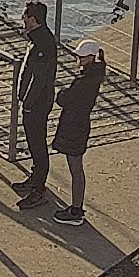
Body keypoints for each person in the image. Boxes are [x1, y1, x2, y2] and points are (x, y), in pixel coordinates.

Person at [51, 38, 108, 223]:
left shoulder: (84, 81)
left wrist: (62, 93)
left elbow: (64, 99)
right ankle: (76, 207)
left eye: (83, 57)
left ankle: (76, 211)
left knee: (76, 169)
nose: (79, 60)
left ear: (91, 58)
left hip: (74, 127)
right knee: (76, 168)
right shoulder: (94, 77)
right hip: (81, 125)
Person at [12, 0, 59, 208]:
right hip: (34, 102)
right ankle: (35, 178)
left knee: (38, 144)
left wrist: (28, 103)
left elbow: (38, 80)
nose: (22, 20)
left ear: (32, 19)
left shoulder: (43, 44)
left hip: (38, 104)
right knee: (34, 143)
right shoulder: (38, 38)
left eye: (24, 16)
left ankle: (38, 189)